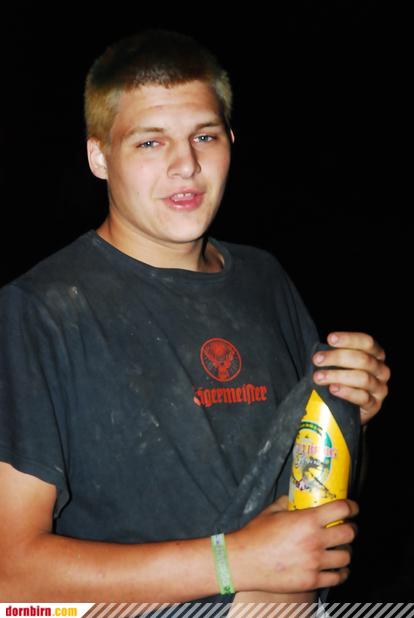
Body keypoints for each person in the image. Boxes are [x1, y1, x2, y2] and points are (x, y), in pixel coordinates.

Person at [0, 29, 390, 609]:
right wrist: (233, 561)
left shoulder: (265, 278)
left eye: (204, 136)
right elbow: (11, 574)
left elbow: (310, 497)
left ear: (231, 141)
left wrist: (352, 417)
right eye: (150, 142)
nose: (186, 165)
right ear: (99, 156)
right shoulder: (40, 310)